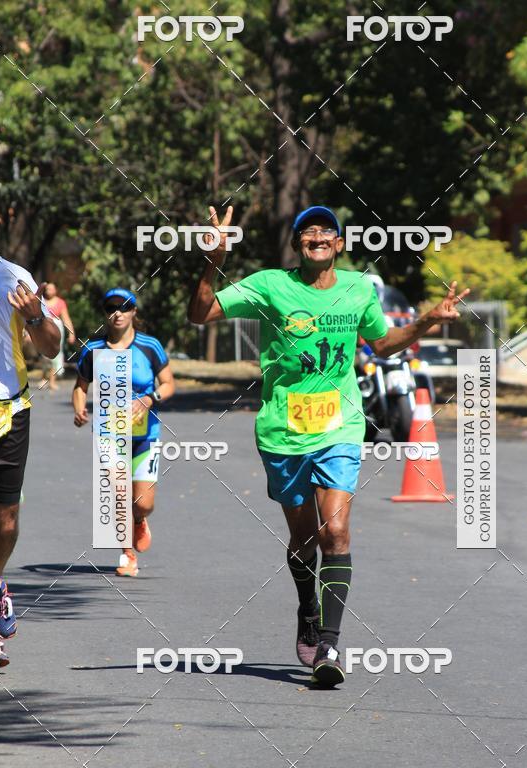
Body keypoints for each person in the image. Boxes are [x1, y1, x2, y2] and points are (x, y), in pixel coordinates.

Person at [189, 204, 469, 687]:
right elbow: (200, 314)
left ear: (339, 244)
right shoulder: (270, 285)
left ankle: (330, 645)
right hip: (283, 431)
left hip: (340, 426)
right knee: (302, 538)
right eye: (306, 231)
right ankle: (307, 608)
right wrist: (214, 260)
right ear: (298, 245)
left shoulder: (359, 288)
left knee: (334, 531)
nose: (316, 235)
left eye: (326, 231)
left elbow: (381, 345)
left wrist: (427, 320)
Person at [73, 288, 175, 577]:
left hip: (146, 435)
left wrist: (149, 398)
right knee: (118, 496)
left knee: (143, 503)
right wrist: (79, 410)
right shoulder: (93, 350)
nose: (117, 313)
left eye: (124, 307)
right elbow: (80, 387)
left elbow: (169, 384)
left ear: (134, 312)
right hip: (108, 435)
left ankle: (139, 519)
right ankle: (127, 554)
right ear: (105, 313)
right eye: (110, 308)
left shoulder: (149, 346)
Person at [0, 255, 61, 667]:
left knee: (5, 522)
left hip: (8, 410)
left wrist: (35, 317)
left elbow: (51, 346)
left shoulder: (13, 276)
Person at [40, 283, 76, 390]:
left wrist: (71, 333)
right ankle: (44, 378)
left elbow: (66, 318)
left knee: (55, 354)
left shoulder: (60, 303)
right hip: (43, 329)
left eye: (51, 288)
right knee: (44, 355)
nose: (48, 291)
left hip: (56, 330)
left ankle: (52, 381)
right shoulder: (41, 301)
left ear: (55, 290)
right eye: (47, 289)